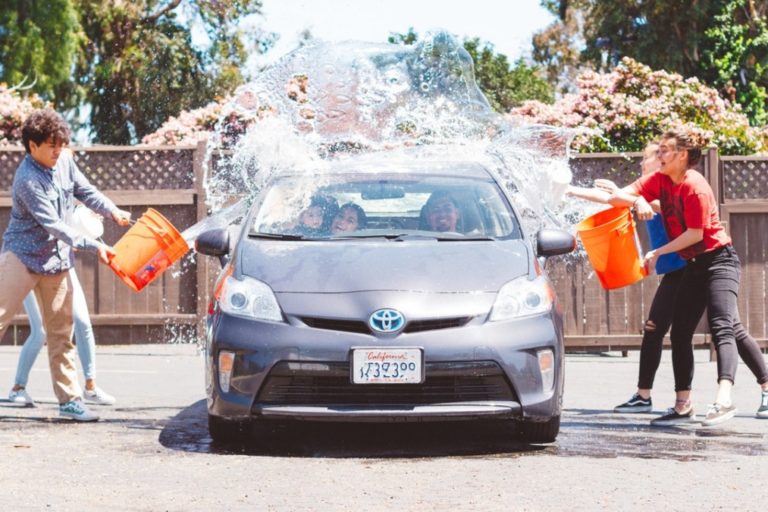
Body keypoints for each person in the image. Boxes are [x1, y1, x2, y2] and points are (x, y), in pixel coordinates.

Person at [568, 142, 768, 421]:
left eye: (656, 157)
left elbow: (682, 223)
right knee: (675, 331)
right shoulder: (656, 183)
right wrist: (570, 190)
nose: (648, 164)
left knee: (726, 326)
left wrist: (636, 204)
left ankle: (731, 397)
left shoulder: (689, 186)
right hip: (690, 264)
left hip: (708, 260)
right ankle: (674, 401)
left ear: (680, 157)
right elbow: (618, 198)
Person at [0, 109, 130, 422]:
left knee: (61, 333)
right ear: (32, 146)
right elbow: (56, 225)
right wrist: (95, 245)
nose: (58, 150)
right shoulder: (27, 180)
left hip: (55, 260)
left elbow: (84, 190)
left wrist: (113, 210)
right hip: (21, 256)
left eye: (61, 143)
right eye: (51, 145)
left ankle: (70, 401)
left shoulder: (65, 161)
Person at [8, 269, 115, 406]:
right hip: (29, 265)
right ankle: (18, 388)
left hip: (62, 265)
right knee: (40, 332)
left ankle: (90, 387)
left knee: (82, 322)